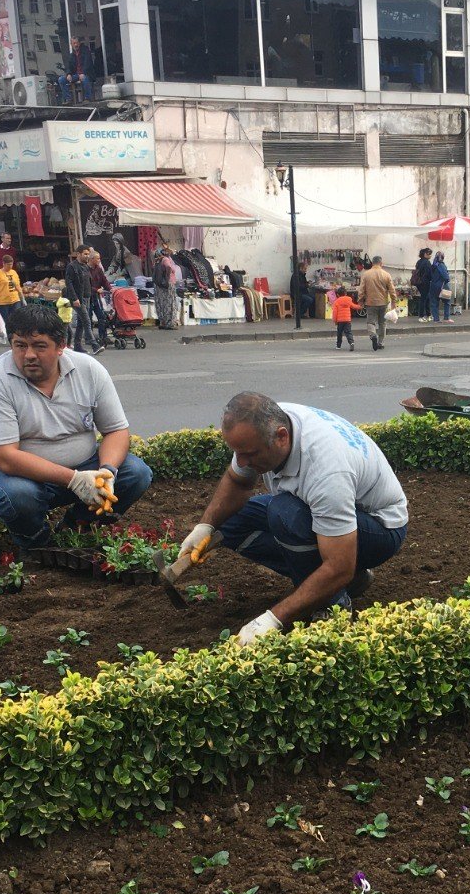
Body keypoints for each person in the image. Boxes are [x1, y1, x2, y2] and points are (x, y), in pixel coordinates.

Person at [175, 392, 409, 644]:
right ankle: (344, 582)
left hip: (379, 528)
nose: (241, 461)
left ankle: (333, 604)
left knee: (286, 514)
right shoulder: (266, 424)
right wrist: (205, 526)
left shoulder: (326, 470)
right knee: (230, 522)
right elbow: (237, 481)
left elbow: (339, 566)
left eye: (249, 454)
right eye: (237, 453)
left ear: (281, 437)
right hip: (321, 510)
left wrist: (274, 618)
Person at [0, 301, 153, 555]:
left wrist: (107, 472)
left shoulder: (88, 370)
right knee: (18, 495)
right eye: (20, 345)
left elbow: (116, 430)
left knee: (136, 473)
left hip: (83, 466)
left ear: (61, 346)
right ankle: (35, 542)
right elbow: (6, 458)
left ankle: (74, 528)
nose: (29, 355)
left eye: (39, 346)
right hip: (20, 476)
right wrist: (75, 480)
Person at [63, 245, 98, 354]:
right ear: (78, 254)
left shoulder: (86, 266)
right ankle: (94, 345)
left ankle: (77, 345)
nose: (87, 256)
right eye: (85, 254)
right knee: (87, 321)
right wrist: (74, 298)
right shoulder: (72, 267)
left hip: (87, 297)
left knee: (82, 323)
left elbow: (88, 282)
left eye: (88, 254)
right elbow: (69, 283)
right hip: (78, 298)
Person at [358, 256, 395, 351]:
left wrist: (360, 301)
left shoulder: (366, 274)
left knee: (371, 322)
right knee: (382, 323)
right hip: (383, 302)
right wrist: (393, 301)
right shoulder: (386, 274)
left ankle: (373, 335)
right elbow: (392, 290)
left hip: (370, 302)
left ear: (372, 263)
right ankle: (380, 343)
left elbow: (361, 290)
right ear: (381, 263)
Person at [0, 253, 24, 333]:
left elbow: (18, 286)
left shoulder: (14, 273)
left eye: (11, 264)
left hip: (15, 300)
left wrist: (22, 298)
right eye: (8, 264)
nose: (10, 266)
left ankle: (15, 335)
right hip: (3, 302)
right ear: (3, 263)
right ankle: (6, 334)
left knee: (16, 319)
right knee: (5, 321)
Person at [87, 250, 114, 348]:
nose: (99, 260)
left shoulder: (98, 268)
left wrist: (110, 289)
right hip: (87, 297)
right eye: (97, 258)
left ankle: (103, 336)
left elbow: (104, 280)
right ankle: (89, 338)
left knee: (102, 316)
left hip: (96, 296)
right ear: (92, 259)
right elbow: (84, 285)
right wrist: (95, 289)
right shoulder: (85, 269)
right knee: (88, 318)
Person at [154, 245, 182, 329]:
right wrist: (167, 278)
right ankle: (170, 323)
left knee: (161, 302)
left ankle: (163, 322)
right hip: (167, 284)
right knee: (170, 302)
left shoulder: (157, 261)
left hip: (159, 284)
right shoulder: (165, 259)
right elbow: (169, 267)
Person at [330, 285, 356, 350]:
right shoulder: (348, 300)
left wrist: (335, 320)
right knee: (348, 332)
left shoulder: (336, 302)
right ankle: (351, 342)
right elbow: (354, 306)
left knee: (339, 333)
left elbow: (335, 312)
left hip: (340, 320)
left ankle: (338, 345)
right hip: (347, 320)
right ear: (346, 293)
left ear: (338, 295)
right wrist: (360, 306)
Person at [430, 250, 453, 322]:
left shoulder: (433, 266)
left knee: (434, 303)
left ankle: (436, 319)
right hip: (442, 286)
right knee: (447, 301)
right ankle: (446, 318)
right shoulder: (442, 265)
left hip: (433, 286)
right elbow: (446, 277)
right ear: (443, 258)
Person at [410, 248, 433, 320]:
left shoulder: (419, 262)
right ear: (425, 254)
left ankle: (428, 315)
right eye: (429, 254)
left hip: (419, 282)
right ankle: (421, 316)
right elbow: (429, 274)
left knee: (427, 298)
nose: (430, 255)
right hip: (425, 282)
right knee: (424, 299)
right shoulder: (427, 262)